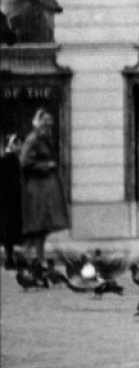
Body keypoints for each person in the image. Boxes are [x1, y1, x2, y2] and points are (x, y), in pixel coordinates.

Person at [19, 108, 70, 262]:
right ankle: (30, 255)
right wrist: (46, 166)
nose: (49, 126)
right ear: (39, 123)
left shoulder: (44, 140)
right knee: (39, 226)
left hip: (45, 190)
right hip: (37, 190)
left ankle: (32, 255)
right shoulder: (32, 139)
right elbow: (24, 161)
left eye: (50, 123)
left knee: (43, 227)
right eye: (46, 123)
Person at [1, 133, 24, 269]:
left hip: (10, 202)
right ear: (12, 144)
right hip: (9, 202)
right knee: (9, 231)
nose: (21, 147)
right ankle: (9, 260)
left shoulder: (10, 159)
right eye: (19, 144)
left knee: (9, 231)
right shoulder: (9, 160)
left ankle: (10, 258)